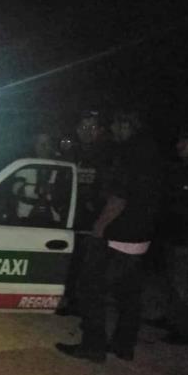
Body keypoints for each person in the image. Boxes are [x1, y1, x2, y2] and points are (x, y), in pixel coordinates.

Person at [56, 111, 161, 362]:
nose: (112, 130)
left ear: (125, 125)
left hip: (118, 233)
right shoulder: (154, 153)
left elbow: (118, 196)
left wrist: (100, 227)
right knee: (128, 293)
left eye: (114, 125)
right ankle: (124, 346)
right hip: (142, 234)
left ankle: (93, 346)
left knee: (90, 288)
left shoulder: (125, 153)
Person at [55, 111, 111, 316]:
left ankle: (83, 305)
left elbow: (111, 190)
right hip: (71, 218)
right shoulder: (73, 152)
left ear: (101, 131)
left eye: (92, 127)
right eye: (83, 127)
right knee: (72, 263)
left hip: (93, 221)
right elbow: (62, 181)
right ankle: (70, 300)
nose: (86, 132)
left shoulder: (107, 155)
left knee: (88, 267)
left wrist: (98, 214)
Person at [158, 126, 188, 345]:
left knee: (182, 285)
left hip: (187, 237)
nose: (179, 146)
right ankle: (171, 319)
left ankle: (183, 331)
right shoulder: (182, 168)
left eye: (184, 142)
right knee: (171, 281)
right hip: (174, 233)